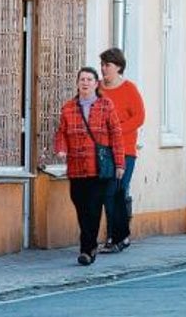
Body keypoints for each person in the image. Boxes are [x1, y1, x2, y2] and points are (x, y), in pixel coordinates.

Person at [53, 67, 125, 265]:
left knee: (93, 208)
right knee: (80, 206)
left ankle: (87, 249)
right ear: (77, 83)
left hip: (98, 168)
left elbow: (116, 135)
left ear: (96, 84)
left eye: (89, 79)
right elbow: (61, 132)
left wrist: (120, 163)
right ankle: (90, 243)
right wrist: (61, 148)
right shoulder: (68, 107)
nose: (85, 82)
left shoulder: (105, 105)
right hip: (76, 168)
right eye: (82, 79)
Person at [97, 47, 145, 253]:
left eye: (107, 65)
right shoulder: (97, 89)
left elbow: (139, 117)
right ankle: (117, 235)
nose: (103, 69)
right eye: (102, 65)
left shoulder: (129, 89)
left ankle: (117, 237)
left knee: (118, 190)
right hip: (102, 150)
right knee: (108, 193)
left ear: (118, 67)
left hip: (125, 150)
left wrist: (117, 130)